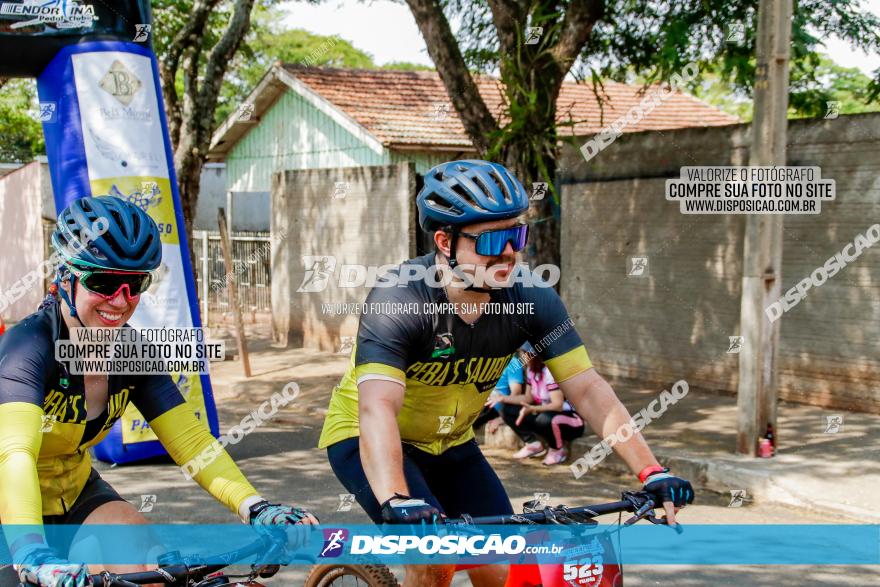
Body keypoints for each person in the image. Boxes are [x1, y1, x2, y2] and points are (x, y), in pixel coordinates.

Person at [318, 160, 694, 587]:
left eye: (517, 235)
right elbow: (377, 409)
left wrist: (652, 472)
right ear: (445, 241)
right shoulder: (400, 299)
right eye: (493, 239)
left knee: (505, 566)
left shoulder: (531, 297)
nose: (510, 253)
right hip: (366, 437)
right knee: (433, 561)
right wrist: (395, 497)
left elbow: (587, 388)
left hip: (451, 442)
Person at [0, 196, 318, 587]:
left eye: (135, 284)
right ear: (65, 278)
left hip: (73, 491)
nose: (121, 301)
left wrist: (255, 507)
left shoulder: (132, 351)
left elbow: (191, 441)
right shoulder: (26, 347)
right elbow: (14, 455)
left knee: (150, 573)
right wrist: (30, 552)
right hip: (9, 505)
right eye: (102, 282)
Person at [495, 354, 584, 465]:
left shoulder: (550, 371)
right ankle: (533, 444)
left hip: (570, 419)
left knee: (544, 419)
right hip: (545, 413)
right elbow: (528, 398)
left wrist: (533, 409)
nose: (521, 357)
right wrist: (502, 398)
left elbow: (558, 405)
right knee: (507, 409)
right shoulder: (531, 370)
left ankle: (557, 449)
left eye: (524, 353)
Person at [472, 350, 525, 432]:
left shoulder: (512, 363)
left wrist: (503, 418)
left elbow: (516, 393)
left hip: (494, 407)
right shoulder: (485, 361)